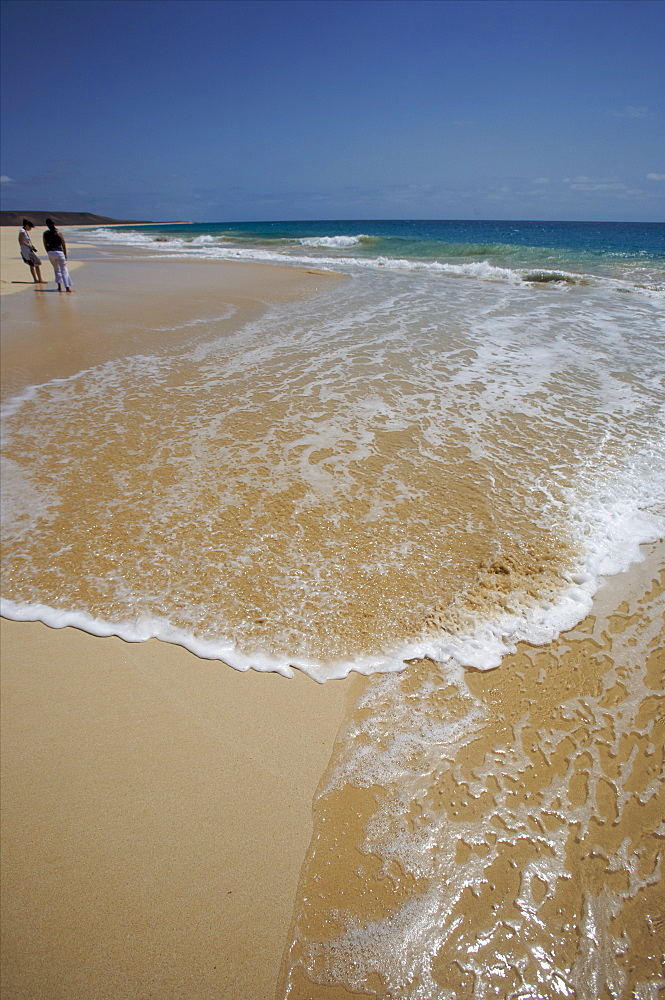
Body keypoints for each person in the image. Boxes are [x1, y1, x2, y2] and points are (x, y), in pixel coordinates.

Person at [43, 218, 73, 292]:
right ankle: (67, 288)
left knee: (56, 270)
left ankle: (59, 286)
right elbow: (63, 245)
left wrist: (48, 252)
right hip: (59, 252)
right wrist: (65, 255)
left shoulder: (45, 234)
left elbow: (45, 245)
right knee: (64, 270)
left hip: (50, 252)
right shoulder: (58, 233)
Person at [18, 219, 44, 283]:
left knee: (32, 265)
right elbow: (20, 240)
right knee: (37, 263)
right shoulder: (22, 231)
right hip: (26, 250)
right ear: (26, 225)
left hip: (27, 249)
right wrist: (29, 246)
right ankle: (39, 279)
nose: (30, 228)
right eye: (30, 227)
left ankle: (36, 279)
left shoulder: (24, 231)